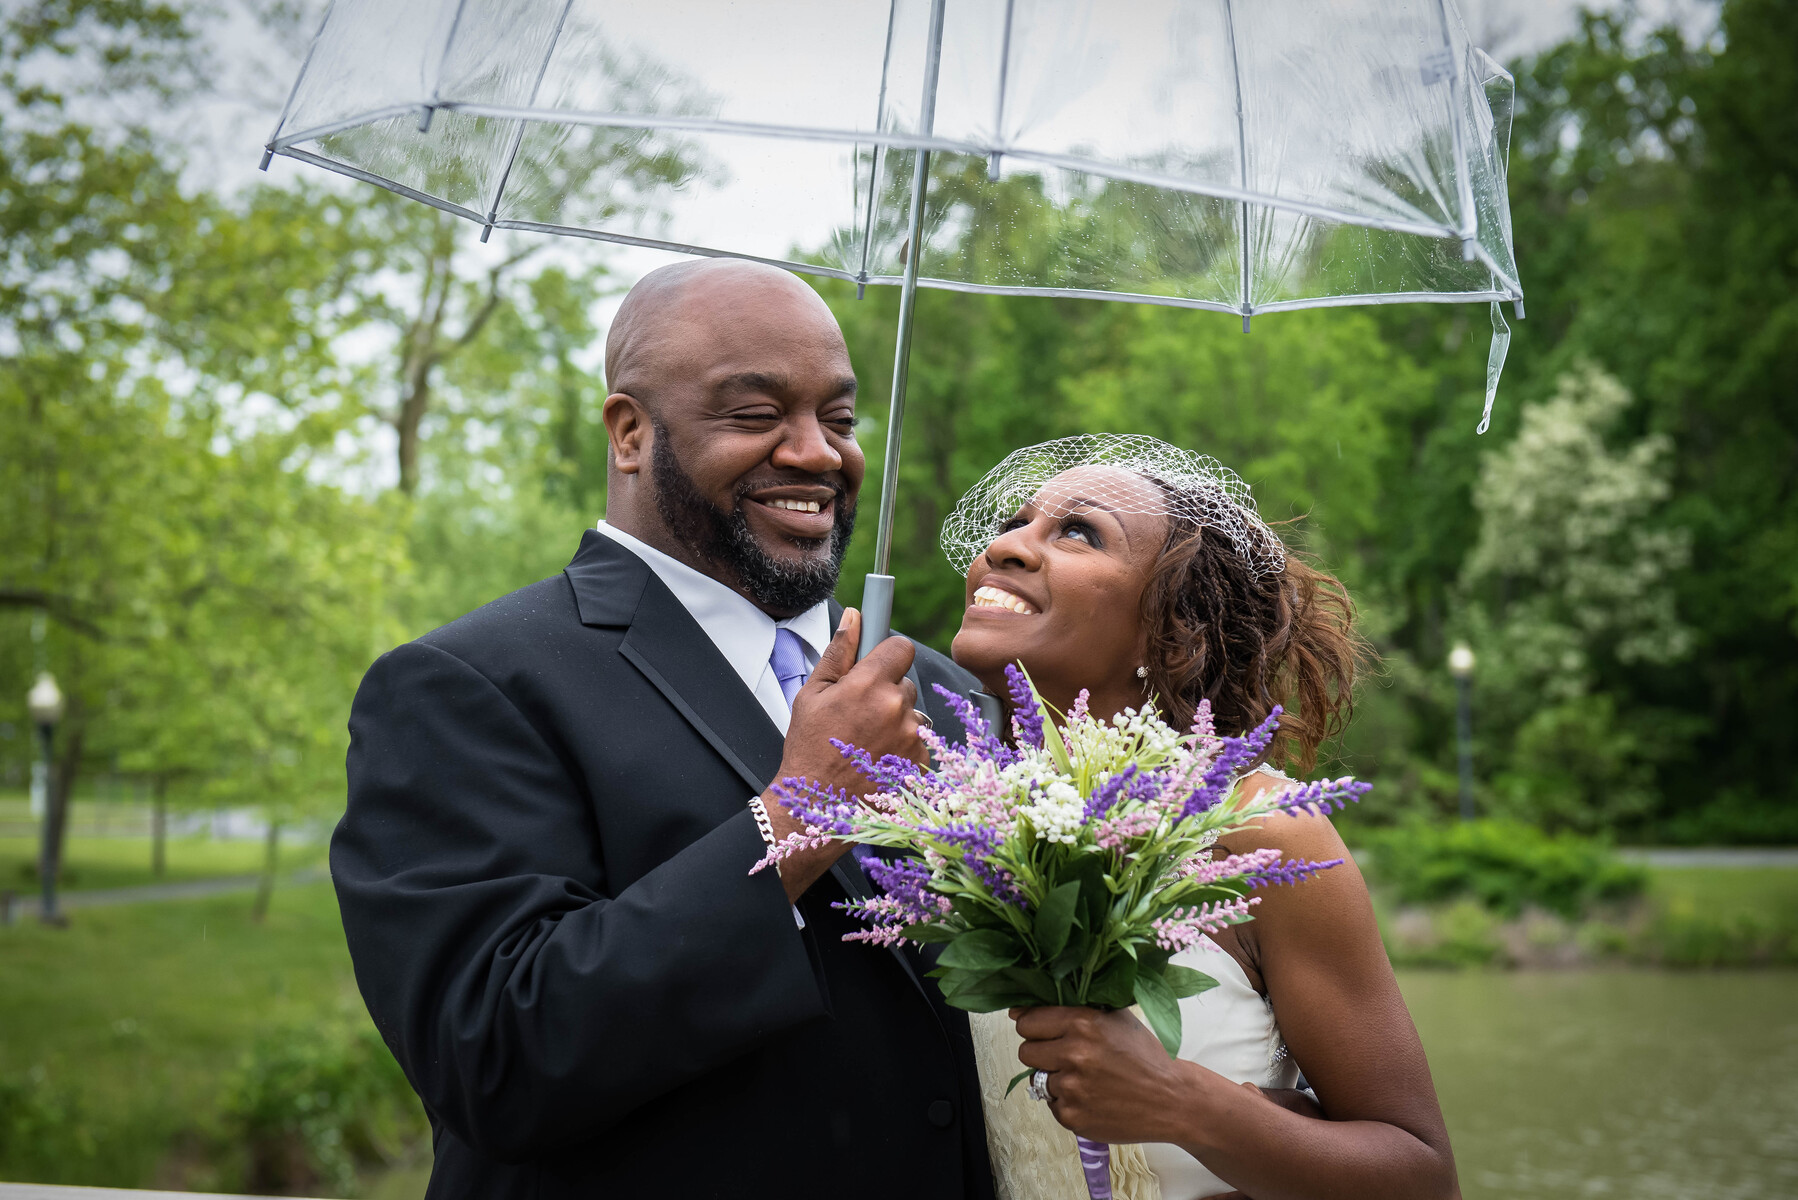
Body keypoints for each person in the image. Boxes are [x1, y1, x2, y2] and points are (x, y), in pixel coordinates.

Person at [332, 259, 995, 1199]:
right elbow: (493, 1055)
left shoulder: (948, 692)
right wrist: (799, 816)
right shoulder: (467, 684)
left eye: (839, 419)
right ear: (631, 432)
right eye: (756, 414)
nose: (816, 453)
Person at [940, 436, 1460, 1200]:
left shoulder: (1263, 834)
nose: (1008, 547)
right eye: (1016, 523)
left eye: (1077, 532)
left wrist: (1181, 1102)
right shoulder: (965, 828)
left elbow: (1423, 1178)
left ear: (1170, 628)